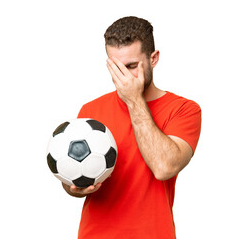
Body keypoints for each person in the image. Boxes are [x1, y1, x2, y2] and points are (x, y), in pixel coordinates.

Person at [62, 16, 202, 238]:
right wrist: (75, 186)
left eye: (132, 66)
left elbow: (164, 167)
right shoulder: (90, 111)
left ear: (153, 58)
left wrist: (134, 100)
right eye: (116, 67)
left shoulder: (184, 109)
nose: (124, 77)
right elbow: (73, 177)